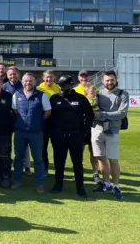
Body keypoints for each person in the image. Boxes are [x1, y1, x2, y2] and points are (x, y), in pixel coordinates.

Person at [49, 75, 93, 198]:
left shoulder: (80, 99)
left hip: (75, 136)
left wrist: (84, 131)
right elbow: (49, 117)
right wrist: (53, 132)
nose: (62, 90)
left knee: (77, 163)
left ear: (71, 85)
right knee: (59, 162)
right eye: (61, 87)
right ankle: (58, 184)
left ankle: (80, 187)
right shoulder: (54, 98)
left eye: (65, 87)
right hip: (59, 136)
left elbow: (89, 116)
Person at [11, 73, 51, 194]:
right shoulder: (16, 95)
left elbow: (48, 112)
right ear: (22, 82)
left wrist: (38, 122)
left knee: (38, 159)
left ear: (34, 82)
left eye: (30, 81)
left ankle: (39, 184)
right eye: (25, 81)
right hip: (20, 132)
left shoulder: (41, 95)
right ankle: (17, 181)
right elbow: (15, 111)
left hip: (36, 133)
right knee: (18, 158)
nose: (28, 83)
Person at [92, 70, 129, 200]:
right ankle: (106, 184)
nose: (109, 82)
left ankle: (116, 185)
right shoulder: (98, 93)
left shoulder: (123, 94)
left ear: (116, 80)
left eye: (112, 80)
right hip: (96, 130)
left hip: (113, 130)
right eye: (107, 80)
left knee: (113, 159)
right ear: (102, 81)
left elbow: (121, 113)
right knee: (101, 158)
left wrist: (103, 115)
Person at [3, 66, 32, 176]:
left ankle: (27, 166)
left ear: (18, 74)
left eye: (14, 74)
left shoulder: (24, 85)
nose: (12, 76)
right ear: (7, 75)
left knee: (24, 145)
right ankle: (9, 165)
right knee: (8, 144)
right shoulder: (4, 86)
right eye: (10, 74)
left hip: (22, 120)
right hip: (8, 120)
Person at [36, 70, 60, 175]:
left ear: (54, 78)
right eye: (47, 77)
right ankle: (44, 167)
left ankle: (58, 168)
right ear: (43, 78)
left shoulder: (59, 89)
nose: (49, 79)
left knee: (57, 147)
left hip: (56, 122)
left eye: (51, 77)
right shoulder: (38, 89)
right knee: (43, 147)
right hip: (44, 121)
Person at [83, 83, 102, 184]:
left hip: (94, 131)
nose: (94, 95)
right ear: (86, 94)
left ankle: (95, 174)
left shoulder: (98, 103)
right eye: (91, 93)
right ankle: (78, 172)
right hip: (82, 131)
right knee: (78, 153)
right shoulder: (83, 102)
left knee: (94, 153)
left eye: (95, 93)